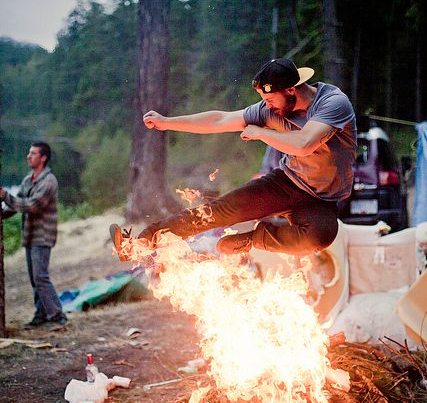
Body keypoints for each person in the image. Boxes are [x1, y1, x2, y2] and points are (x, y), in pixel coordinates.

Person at [111, 57, 356, 260]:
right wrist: (167, 122)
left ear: (291, 90)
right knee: (216, 212)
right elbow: (220, 119)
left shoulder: (332, 103)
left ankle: (253, 238)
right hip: (286, 182)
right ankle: (138, 244)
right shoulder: (268, 109)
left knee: (321, 236)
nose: (266, 106)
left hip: (321, 198)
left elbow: (305, 144)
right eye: (263, 100)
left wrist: (261, 133)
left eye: (270, 100)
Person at [0, 142, 67, 328]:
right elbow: (16, 204)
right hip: (30, 235)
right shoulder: (28, 180)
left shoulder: (49, 181)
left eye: (33, 153)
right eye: (29, 153)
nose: (28, 156)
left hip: (43, 236)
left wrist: (5, 195)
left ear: (43, 157)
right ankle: (41, 314)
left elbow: (32, 206)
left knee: (40, 277)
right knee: (34, 278)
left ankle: (57, 315)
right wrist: (2, 213)